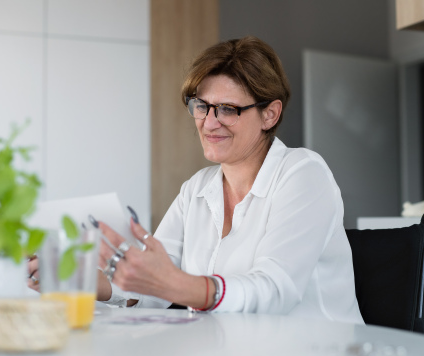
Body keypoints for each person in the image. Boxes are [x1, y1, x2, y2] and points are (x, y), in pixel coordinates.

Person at [29, 36, 363, 322]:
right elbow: (151, 287)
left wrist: (179, 285)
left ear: (269, 114)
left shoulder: (303, 173)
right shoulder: (197, 189)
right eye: (201, 106)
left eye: (228, 109)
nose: (209, 122)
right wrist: (81, 279)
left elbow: (275, 291)